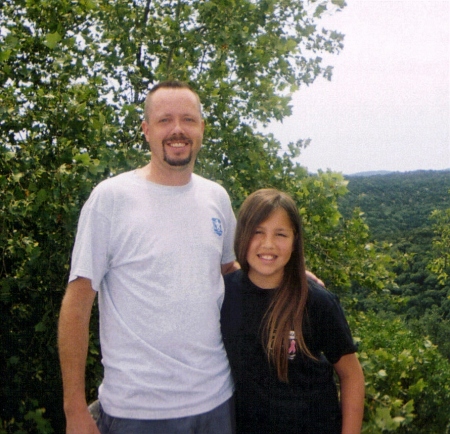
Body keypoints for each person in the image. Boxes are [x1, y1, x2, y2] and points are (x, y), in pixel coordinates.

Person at [58, 81, 239, 434]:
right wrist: (75, 411)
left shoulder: (216, 197)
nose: (177, 130)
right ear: (145, 130)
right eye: (164, 120)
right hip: (136, 412)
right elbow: (77, 303)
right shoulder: (111, 199)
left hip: (217, 402)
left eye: (188, 119)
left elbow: (230, 271)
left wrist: (289, 274)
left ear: (202, 128)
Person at [221, 188, 365, 434]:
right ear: (241, 235)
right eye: (257, 232)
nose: (268, 244)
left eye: (281, 234)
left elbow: (351, 375)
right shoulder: (223, 294)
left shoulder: (317, 302)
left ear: (295, 240)